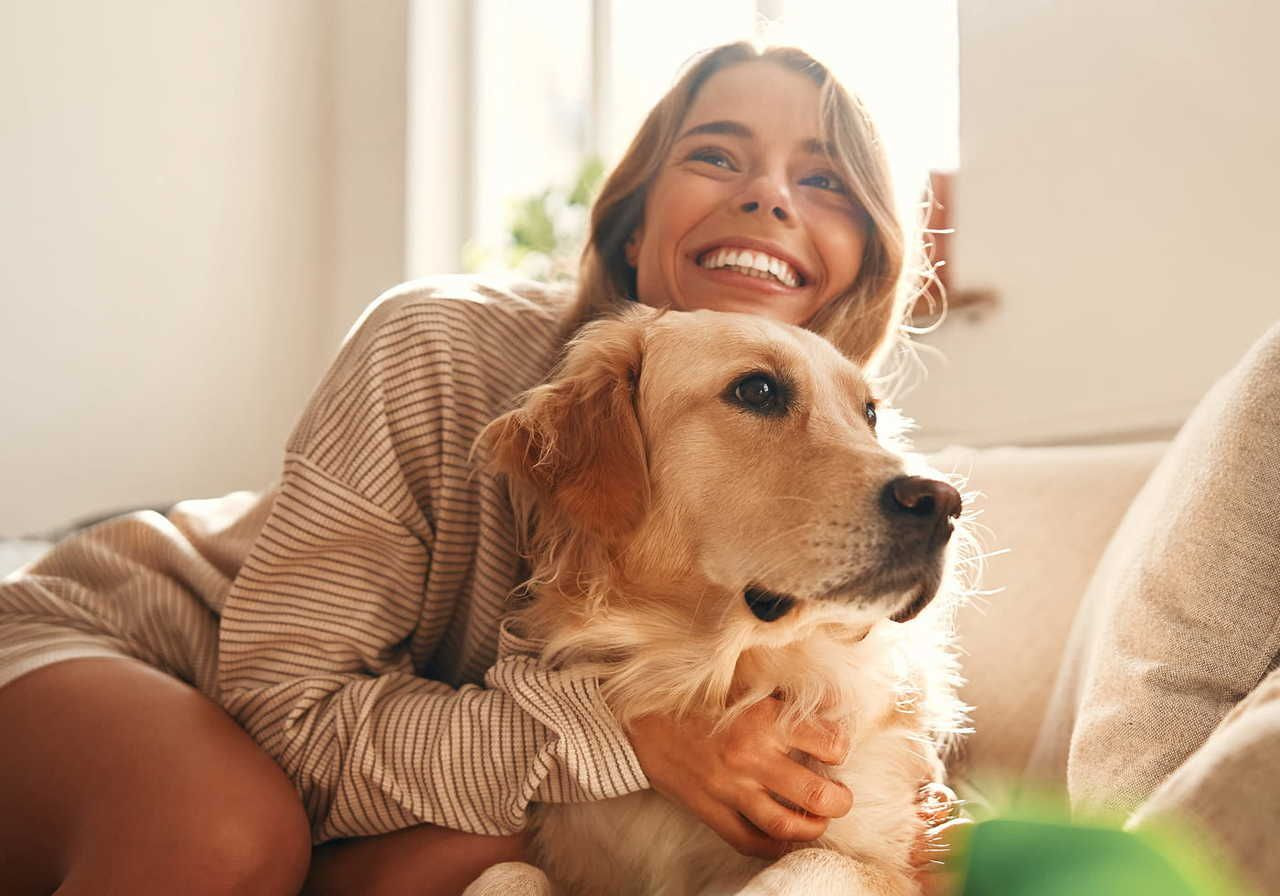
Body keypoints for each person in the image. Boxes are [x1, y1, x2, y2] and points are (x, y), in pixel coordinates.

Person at [0, 42, 957, 896]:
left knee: (488, 851)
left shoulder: (823, 469)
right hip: (125, 646)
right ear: (631, 226)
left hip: (394, 772)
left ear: (856, 269)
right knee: (221, 836)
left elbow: (875, 732)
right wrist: (627, 740)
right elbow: (288, 710)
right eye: (715, 153)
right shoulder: (435, 343)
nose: (770, 195)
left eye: (826, 181)